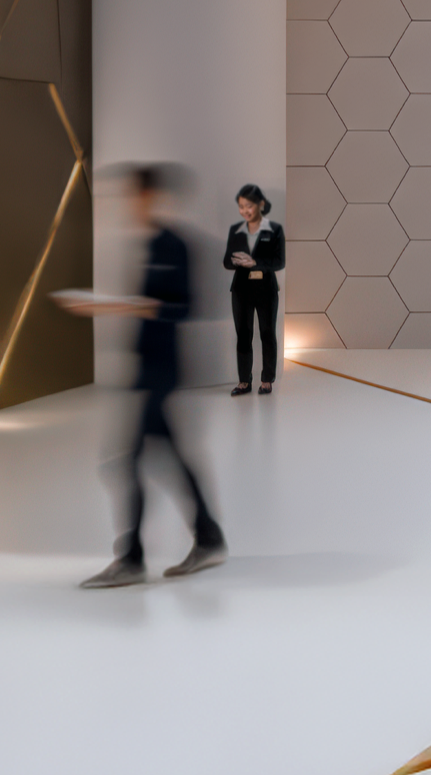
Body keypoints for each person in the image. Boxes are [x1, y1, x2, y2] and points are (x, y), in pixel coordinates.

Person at [59, 165, 226, 588]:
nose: (132, 204)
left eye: (137, 195)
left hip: (165, 369)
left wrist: (128, 306)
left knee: (127, 459)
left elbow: (186, 308)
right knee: (168, 455)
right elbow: (140, 306)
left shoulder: (178, 246)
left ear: (152, 196)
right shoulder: (147, 244)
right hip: (144, 367)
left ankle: (132, 558)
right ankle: (209, 539)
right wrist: (109, 307)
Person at [226, 183, 285, 396]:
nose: (245, 211)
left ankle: (267, 380)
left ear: (260, 204)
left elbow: (279, 262)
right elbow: (226, 261)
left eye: (248, 205)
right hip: (241, 290)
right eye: (241, 206)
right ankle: (244, 381)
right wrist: (238, 261)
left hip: (266, 290)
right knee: (243, 335)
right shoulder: (236, 230)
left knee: (267, 334)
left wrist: (255, 262)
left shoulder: (274, 229)